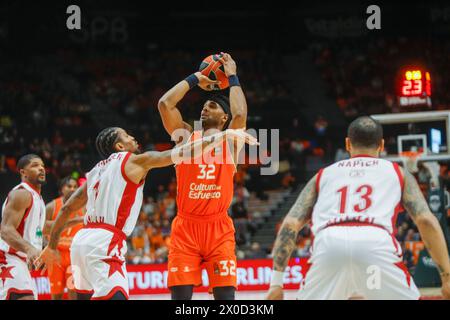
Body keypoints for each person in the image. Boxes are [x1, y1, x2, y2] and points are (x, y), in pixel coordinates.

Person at [37, 126, 256, 300]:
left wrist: (52, 245)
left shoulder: (95, 171)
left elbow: (66, 209)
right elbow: (182, 153)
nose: (134, 138)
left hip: (80, 242)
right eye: (128, 136)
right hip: (104, 242)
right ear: (120, 145)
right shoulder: (134, 160)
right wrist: (222, 136)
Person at [267, 116, 450, 300]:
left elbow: (290, 223)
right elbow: (425, 220)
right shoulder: (397, 172)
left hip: (329, 244)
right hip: (374, 243)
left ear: (347, 144)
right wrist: (447, 278)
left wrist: (276, 283)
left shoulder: (324, 175)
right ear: (382, 144)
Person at [158, 53, 248, 300]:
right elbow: (165, 104)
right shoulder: (186, 138)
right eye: (204, 105)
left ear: (224, 118)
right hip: (186, 228)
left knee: (226, 301)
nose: (205, 107)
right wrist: (196, 78)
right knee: (182, 303)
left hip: (219, 229)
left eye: (213, 106)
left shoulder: (231, 141)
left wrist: (232, 76)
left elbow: (240, 115)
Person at [0, 154, 46, 300]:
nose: (41, 168)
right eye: (34, 165)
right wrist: (29, 249)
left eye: (42, 166)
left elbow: (41, 227)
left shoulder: (37, 197)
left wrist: (71, 222)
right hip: (7, 258)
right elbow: (6, 230)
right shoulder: (22, 194)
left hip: (21, 262)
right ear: (23, 172)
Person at [43, 176, 85, 300]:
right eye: (69, 186)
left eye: (75, 186)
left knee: (73, 293)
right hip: (56, 255)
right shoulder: (52, 207)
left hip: (74, 256)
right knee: (56, 294)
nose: (72, 189)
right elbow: (39, 230)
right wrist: (47, 246)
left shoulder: (84, 207)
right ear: (62, 189)